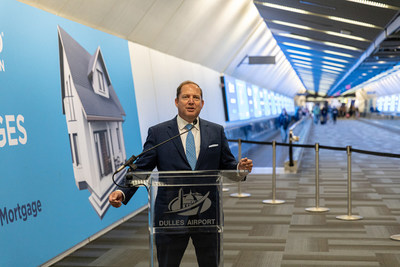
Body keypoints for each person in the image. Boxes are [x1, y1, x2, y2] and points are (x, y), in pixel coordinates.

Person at [109, 80, 253, 267]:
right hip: (170, 215)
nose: (191, 101)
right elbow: (143, 168)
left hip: (208, 215)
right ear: (176, 102)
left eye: (196, 97)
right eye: (186, 97)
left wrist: (239, 169)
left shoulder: (216, 131)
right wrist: (122, 192)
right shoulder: (159, 133)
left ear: (202, 103)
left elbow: (228, 164)